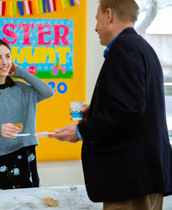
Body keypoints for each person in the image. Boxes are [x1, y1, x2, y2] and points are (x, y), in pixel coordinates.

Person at [49, 0, 172, 209]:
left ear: (109, 15)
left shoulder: (124, 48)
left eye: (96, 20)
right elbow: (136, 106)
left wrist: (81, 131)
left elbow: (127, 109)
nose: (95, 28)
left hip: (130, 178)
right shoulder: (143, 48)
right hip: (145, 174)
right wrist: (96, 111)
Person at [0, 39, 54, 190]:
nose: (4, 62)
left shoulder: (22, 89)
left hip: (25, 155)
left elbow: (48, 92)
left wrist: (20, 72)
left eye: (7, 56)